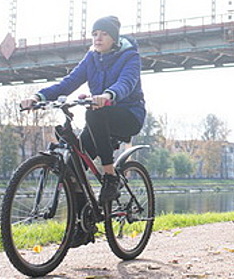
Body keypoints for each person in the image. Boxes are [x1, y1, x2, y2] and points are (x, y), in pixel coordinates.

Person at [20, 15, 146, 214]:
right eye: (95, 34)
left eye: (104, 34)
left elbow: (126, 83)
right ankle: (80, 226)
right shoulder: (91, 58)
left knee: (94, 115)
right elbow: (67, 83)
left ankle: (110, 176)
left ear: (114, 38)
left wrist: (107, 95)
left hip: (129, 114)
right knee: (73, 169)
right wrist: (37, 97)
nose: (98, 38)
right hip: (100, 117)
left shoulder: (130, 56)